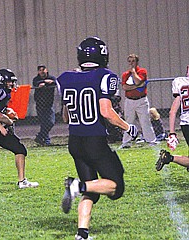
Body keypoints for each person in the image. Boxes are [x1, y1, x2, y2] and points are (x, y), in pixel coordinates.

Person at [57, 37, 138, 240]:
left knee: (93, 188)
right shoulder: (105, 76)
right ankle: (76, 186)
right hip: (94, 140)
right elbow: (106, 111)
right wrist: (129, 127)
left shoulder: (65, 77)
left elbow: (66, 116)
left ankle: (82, 234)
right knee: (115, 186)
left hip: (75, 141)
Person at [156, 65, 189, 171]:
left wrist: (172, 132)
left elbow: (172, 111)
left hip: (185, 124)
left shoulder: (180, 82)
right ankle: (169, 158)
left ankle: (168, 157)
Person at [120, 53, 156, 148]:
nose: (131, 63)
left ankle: (151, 141)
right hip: (129, 101)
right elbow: (125, 87)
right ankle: (126, 142)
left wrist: (133, 73)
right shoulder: (125, 75)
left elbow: (138, 80)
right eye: (130, 62)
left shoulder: (142, 71)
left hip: (141, 100)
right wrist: (137, 86)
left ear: (137, 62)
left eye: (133, 61)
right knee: (129, 121)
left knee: (145, 121)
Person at [32, 65, 57, 146]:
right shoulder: (36, 79)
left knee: (51, 122)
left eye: (43, 70)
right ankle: (46, 141)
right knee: (43, 123)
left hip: (49, 104)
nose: (42, 71)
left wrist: (48, 82)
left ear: (46, 70)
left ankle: (40, 137)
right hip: (40, 104)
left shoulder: (52, 78)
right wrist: (45, 82)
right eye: (40, 70)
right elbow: (36, 83)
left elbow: (56, 82)